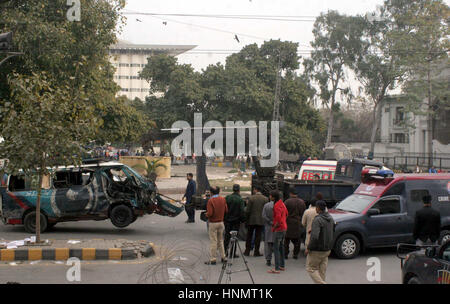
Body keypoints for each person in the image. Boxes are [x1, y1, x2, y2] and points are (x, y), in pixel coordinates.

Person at [305, 201, 335, 284]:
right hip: (327, 249)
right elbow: (331, 231)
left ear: (318, 208)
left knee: (310, 268)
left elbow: (314, 237)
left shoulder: (317, 219)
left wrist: (309, 248)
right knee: (322, 270)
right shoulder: (330, 218)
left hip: (317, 250)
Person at [205, 186, 228, 265]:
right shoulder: (223, 199)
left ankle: (213, 259)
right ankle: (223, 257)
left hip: (213, 223)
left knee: (213, 241)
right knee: (221, 241)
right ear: (219, 192)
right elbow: (226, 210)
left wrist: (206, 214)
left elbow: (210, 213)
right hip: (221, 222)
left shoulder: (211, 200)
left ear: (211, 192)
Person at [268, 190, 288, 274]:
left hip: (279, 229)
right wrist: (283, 221)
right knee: (281, 247)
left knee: (276, 248)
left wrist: (274, 226)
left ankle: (276, 268)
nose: (269, 197)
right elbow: (286, 213)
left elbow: (278, 218)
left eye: (270, 196)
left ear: (273, 197)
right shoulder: (282, 204)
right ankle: (282, 265)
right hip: (284, 228)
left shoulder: (276, 205)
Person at [244, 186, 268, 256]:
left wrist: (246, 219)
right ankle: (256, 251)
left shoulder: (251, 198)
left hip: (251, 220)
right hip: (260, 220)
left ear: (255, 190)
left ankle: (247, 251)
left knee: (249, 236)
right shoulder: (265, 199)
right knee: (258, 236)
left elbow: (248, 211)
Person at [284, 187, 306, 259]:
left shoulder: (287, 202)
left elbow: (283, 213)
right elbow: (303, 213)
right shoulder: (302, 202)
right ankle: (295, 254)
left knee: (286, 240)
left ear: (290, 194)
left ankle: (285, 254)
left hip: (288, 223)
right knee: (297, 240)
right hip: (297, 223)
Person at [224, 184, 246, 258]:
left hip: (227, 220)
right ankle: (232, 253)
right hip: (236, 221)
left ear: (233, 189)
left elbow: (224, 208)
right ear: (239, 190)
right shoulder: (240, 199)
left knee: (227, 236)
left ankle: (225, 252)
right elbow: (242, 211)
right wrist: (243, 220)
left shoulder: (227, 198)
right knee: (234, 237)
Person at [262, 196, 275, 266]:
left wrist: (270, 221)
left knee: (268, 244)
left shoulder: (266, 205)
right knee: (277, 244)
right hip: (278, 227)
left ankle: (268, 260)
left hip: (268, 227)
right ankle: (278, 260)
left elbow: (263, 215)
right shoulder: (281, 205)